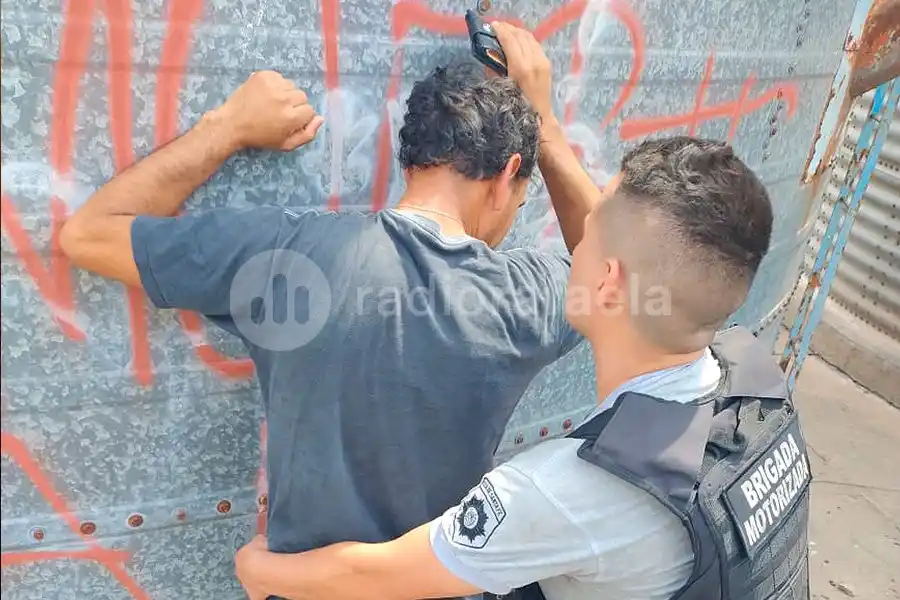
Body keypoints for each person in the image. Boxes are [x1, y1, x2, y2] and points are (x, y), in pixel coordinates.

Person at [231, 22, 812, 600]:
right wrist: (547, 129)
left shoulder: (566, 495)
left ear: (606, 280)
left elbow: (374, 575)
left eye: (591, 234)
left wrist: (261, 572)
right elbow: (645, 267)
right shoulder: (748, 389)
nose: (572, 236)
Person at [59, 54, 600, 562]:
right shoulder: (526, 297)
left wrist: (225, 128)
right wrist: (546, 124)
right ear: (508, 174)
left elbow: (87, 234)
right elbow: (621, 268)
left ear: (412, 159)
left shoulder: (286, 256)